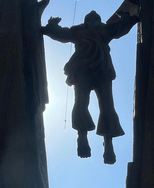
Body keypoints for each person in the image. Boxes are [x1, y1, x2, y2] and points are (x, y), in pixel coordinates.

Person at [42, 9, 138, 164]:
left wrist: (127, 17)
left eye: (95, 18)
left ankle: (108, 142)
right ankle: (82, 135)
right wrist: (52, 26)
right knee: (81, 102)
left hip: (102, 69)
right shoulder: (79, 30)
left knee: (106, 106)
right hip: (82, 69)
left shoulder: (104, 30)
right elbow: (62, 34)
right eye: (91, 18)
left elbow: (120, 28)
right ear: (86, 21)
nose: (93, 18)